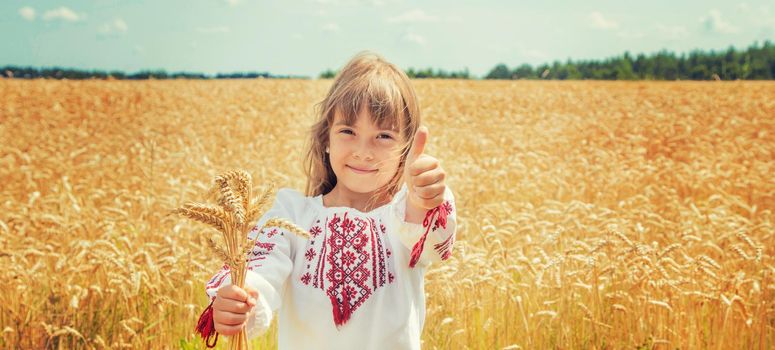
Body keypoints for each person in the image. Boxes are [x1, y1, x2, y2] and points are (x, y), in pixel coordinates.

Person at [201, 51, 457, 350]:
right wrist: (240, 301)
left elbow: (433, 243)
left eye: (384, 136)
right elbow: (260, 269)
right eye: (348, 131)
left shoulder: (406, 212)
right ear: (326, 138)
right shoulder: (291, 214)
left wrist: (423, 200)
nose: (364, 151)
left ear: (407, 147)